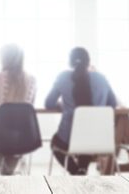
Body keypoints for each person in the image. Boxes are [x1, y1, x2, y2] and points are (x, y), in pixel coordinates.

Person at [45, 47, 118, 175]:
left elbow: (48, 103)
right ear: (88, 62)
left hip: (68, 138)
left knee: (54, 143)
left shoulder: (63, 77)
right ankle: (82, 169)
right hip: (98, 137)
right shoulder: (101, 78)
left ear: (70, 62)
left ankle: (76, 172)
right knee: (87, 137)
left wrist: (62, 104)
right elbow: (112, 103)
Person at [0, 44, 36, 175]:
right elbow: (30, 108)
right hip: (23, 134)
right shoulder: (32, 79)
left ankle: (4, 174)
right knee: (7, 167)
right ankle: (6, 174)